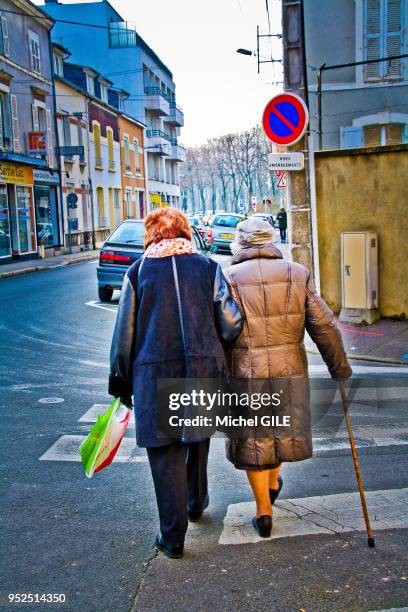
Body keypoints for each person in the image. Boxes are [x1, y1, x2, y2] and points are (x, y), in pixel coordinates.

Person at [109, 208, 242, 559]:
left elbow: (125, 335)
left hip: (154, 373)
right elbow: (230, 324)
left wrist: (121, 380)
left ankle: (173, 537)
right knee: (196, 438)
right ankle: (196, 502)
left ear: (151, 236)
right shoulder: (208, 267)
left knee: (165, 452)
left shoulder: (138, 272)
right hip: (202, 369)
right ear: (185, 233)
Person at [223, 217, 351, 538]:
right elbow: (325, 326)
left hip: (244, 373)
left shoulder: (227, 278)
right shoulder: (297, 274)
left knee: (254, 439)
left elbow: (219, 331)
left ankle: (263, 511)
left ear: (241, 243)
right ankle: (275, 480)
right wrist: (339, 367)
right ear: (271, 241)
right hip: (288, 370)